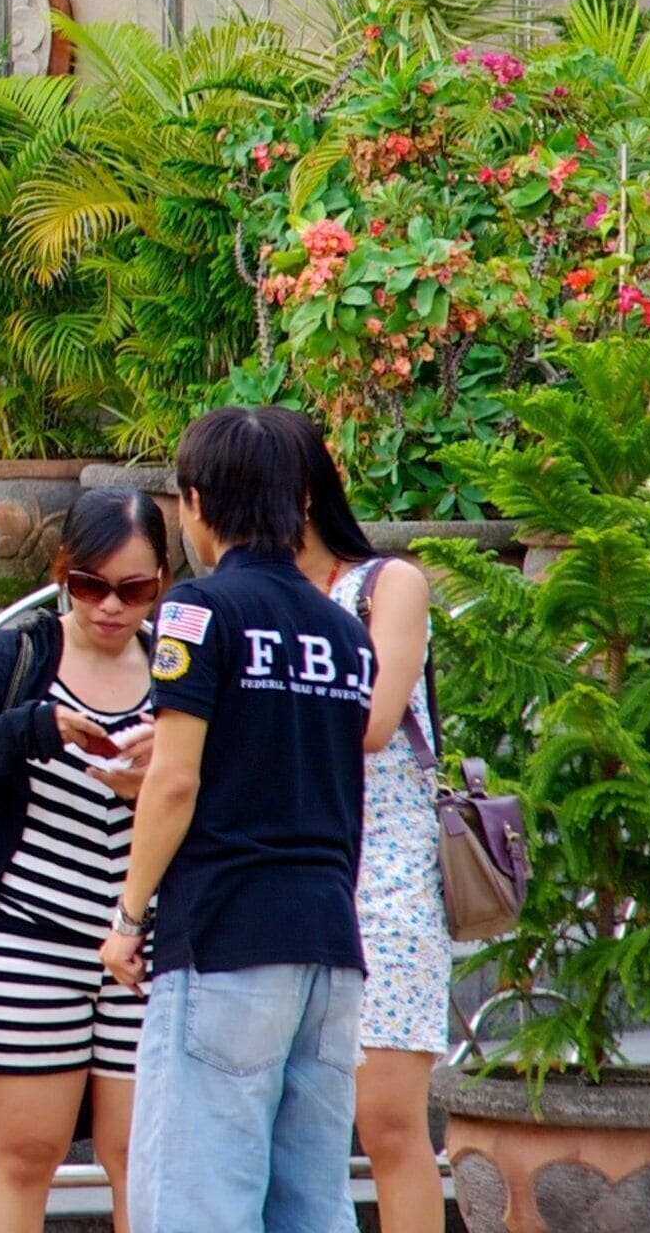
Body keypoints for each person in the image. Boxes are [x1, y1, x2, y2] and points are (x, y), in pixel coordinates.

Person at [100, 407, 373, 1233]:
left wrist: (129, 917)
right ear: (300, 502)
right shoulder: (344, 631)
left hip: (225, 934)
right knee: (312, 1205)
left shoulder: (196, 612)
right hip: (328, 944)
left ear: (195, 502)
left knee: (198, 1202)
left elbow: (174, 782)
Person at [0, 489, 169, 1233]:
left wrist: (162, 773)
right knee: (24, 1156)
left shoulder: (178, 662)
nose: (110, 606)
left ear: (161, 581)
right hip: (27, 936)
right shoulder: (23, 652)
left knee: (144, 1159)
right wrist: (36, 727)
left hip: (149, 944)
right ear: (63, 573)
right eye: (90, 584)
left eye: (134, 589)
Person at [284, 414, 446, 1233]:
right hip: (285, 872)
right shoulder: (253, 599)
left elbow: (375, 722)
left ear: (306, 495)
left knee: (387, 1124)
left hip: (384, 874)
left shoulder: (387, 584)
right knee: (290, 1130)